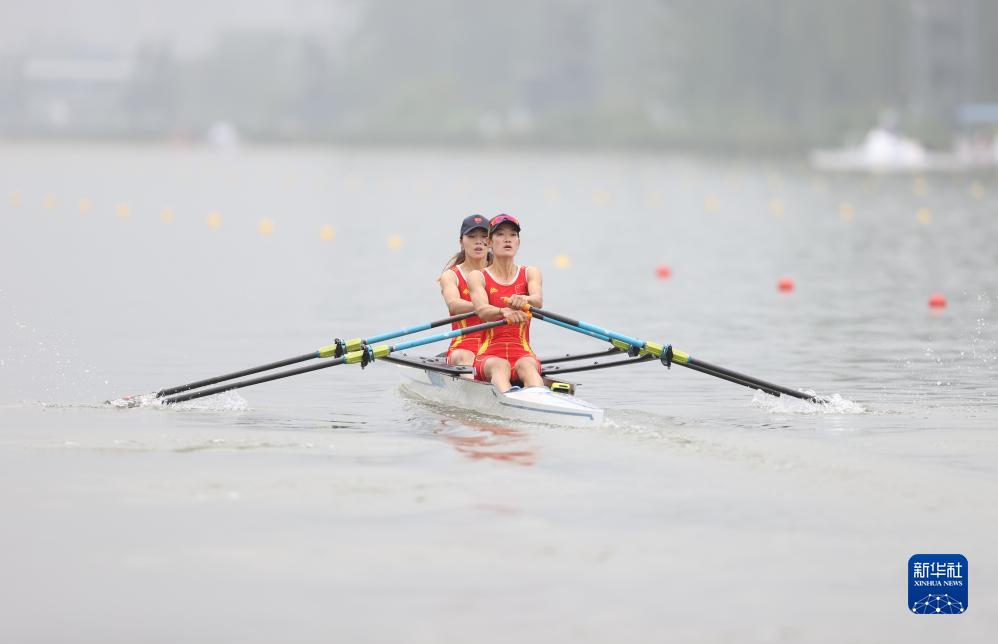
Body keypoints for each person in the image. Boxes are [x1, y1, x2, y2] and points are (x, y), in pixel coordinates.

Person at [468, 213, 544, 393]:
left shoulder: (530, 272)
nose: (507, 239)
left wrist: (524, 299)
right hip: (489, 356)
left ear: (518, 242)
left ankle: (540, 399)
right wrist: (503, 311)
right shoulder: (478, 276)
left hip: (524, 353)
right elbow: (482, 310)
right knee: (500, 367)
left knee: (528, 367)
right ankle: (508, 400)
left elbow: (538, 301)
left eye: (512, 235)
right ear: (489, 243)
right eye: (500, 234)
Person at [439, 214, 491, 373]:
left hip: (496, 344)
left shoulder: (502, 273)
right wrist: (486, 308)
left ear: (491, 242)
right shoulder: (451, 276)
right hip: (464, 346)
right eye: (472, 236)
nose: (478, 241)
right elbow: (454, 305)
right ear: (461, 241)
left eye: (484, 236)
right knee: (465, 357)